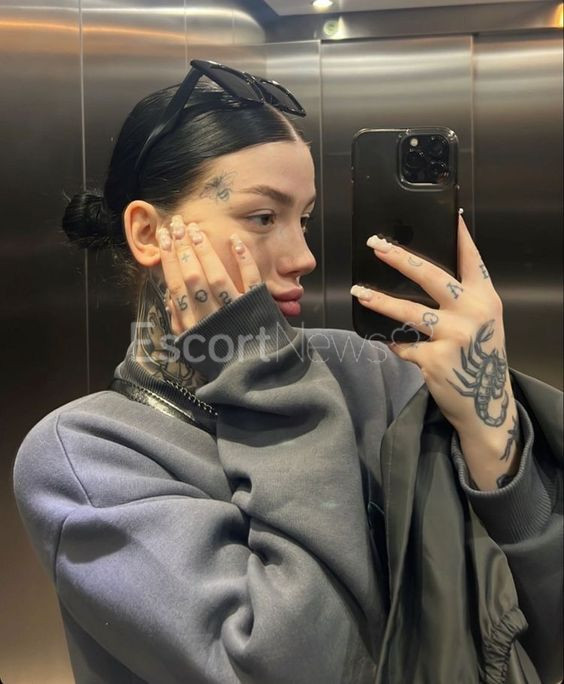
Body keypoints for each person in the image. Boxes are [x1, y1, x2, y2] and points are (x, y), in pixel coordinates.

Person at [12, 59, 563, 684]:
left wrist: (491, 424)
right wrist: (269, 380)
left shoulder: (369, 373)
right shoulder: (84, 457)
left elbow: (531, 627)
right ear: (148, 232)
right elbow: (300, 666)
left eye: (303, 218)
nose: (303, 256)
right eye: (262, 217)